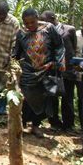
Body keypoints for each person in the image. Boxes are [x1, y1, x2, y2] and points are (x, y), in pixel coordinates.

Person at [14, 8, 65, 138]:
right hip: (27, 72)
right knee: (25, 100)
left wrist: (57, 62)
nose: (30, 25)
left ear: (37, 18)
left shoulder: (49, 28)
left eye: (32, 22)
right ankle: (22, 125)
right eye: (27, 23)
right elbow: (17, 52)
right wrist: (12, 64)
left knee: (42, 100)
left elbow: (59, 45)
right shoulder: (21, 33)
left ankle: (36, 126)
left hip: (45, 70)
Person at [40, 10, 77, 131]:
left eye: (45, 21)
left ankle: (68, 125)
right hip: (52, 70)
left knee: (68, 98)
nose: (43, 23)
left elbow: (73, 49)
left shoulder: (69, 29)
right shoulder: (45, 32)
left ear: (52, 18)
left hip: (68, 70)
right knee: (52, 97)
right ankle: (54, 122)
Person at [0, 1, 20, 115]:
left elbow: (15, 42)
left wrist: (11, 58)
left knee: (5, 84)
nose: (0, 16)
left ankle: (3, 107)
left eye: (3, 14)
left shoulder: (14, 22)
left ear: (7, 12)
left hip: (5, 59)